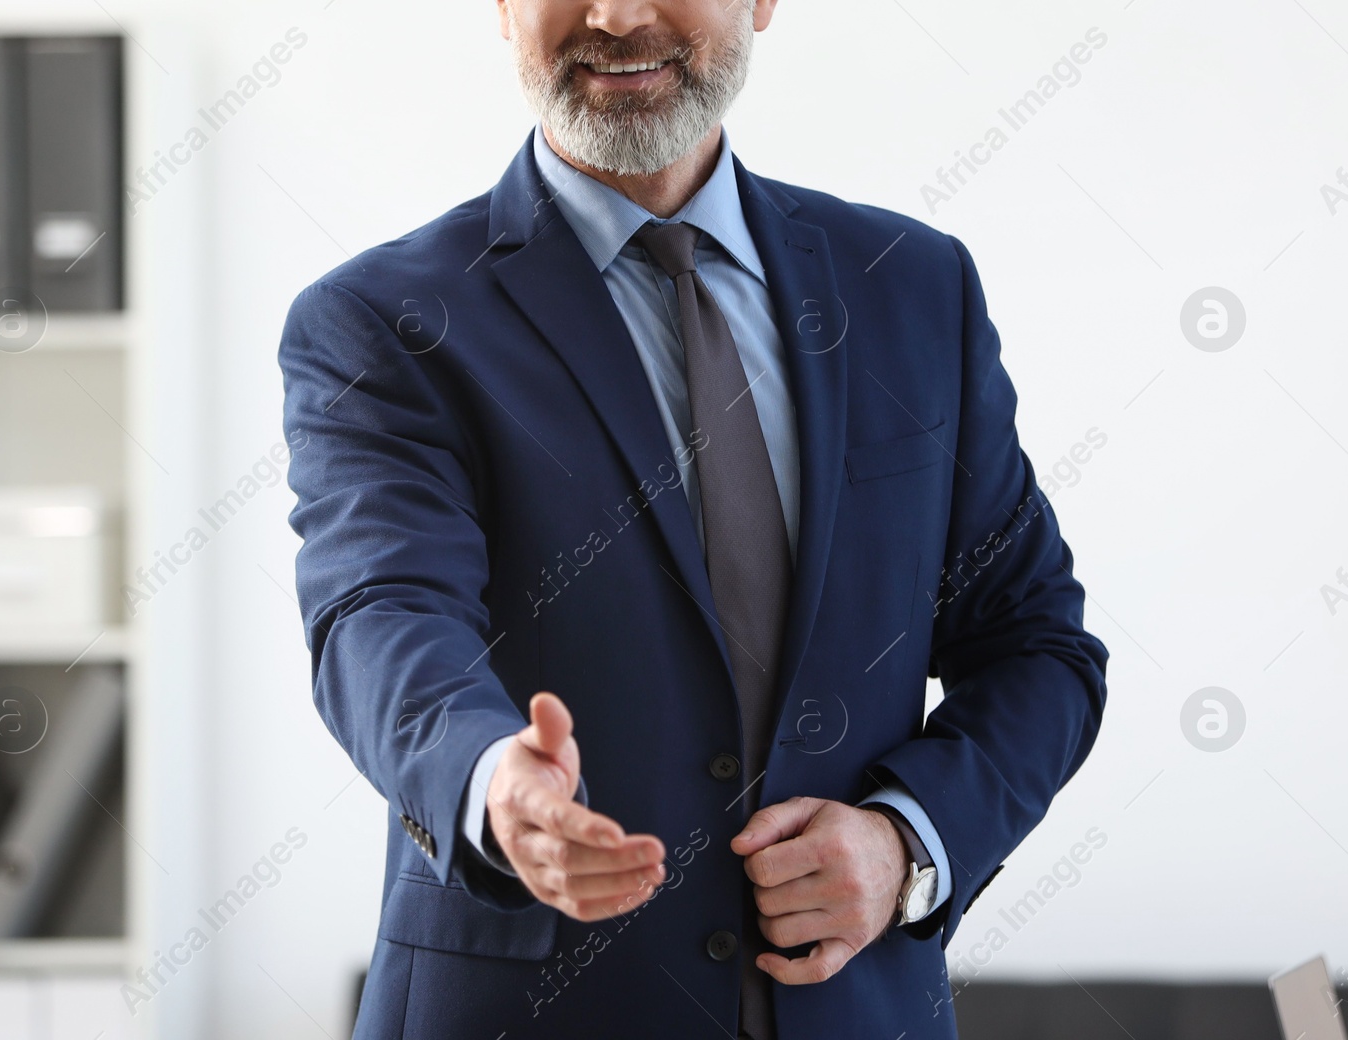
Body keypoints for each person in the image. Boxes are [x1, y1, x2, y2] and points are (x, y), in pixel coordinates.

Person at [279, 2, 1108, 1037]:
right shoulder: (380, 322)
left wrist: (906, 838)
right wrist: (489, 777)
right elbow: (379, 609)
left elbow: (1036, 646)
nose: (617, 15)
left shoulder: (913, 288)